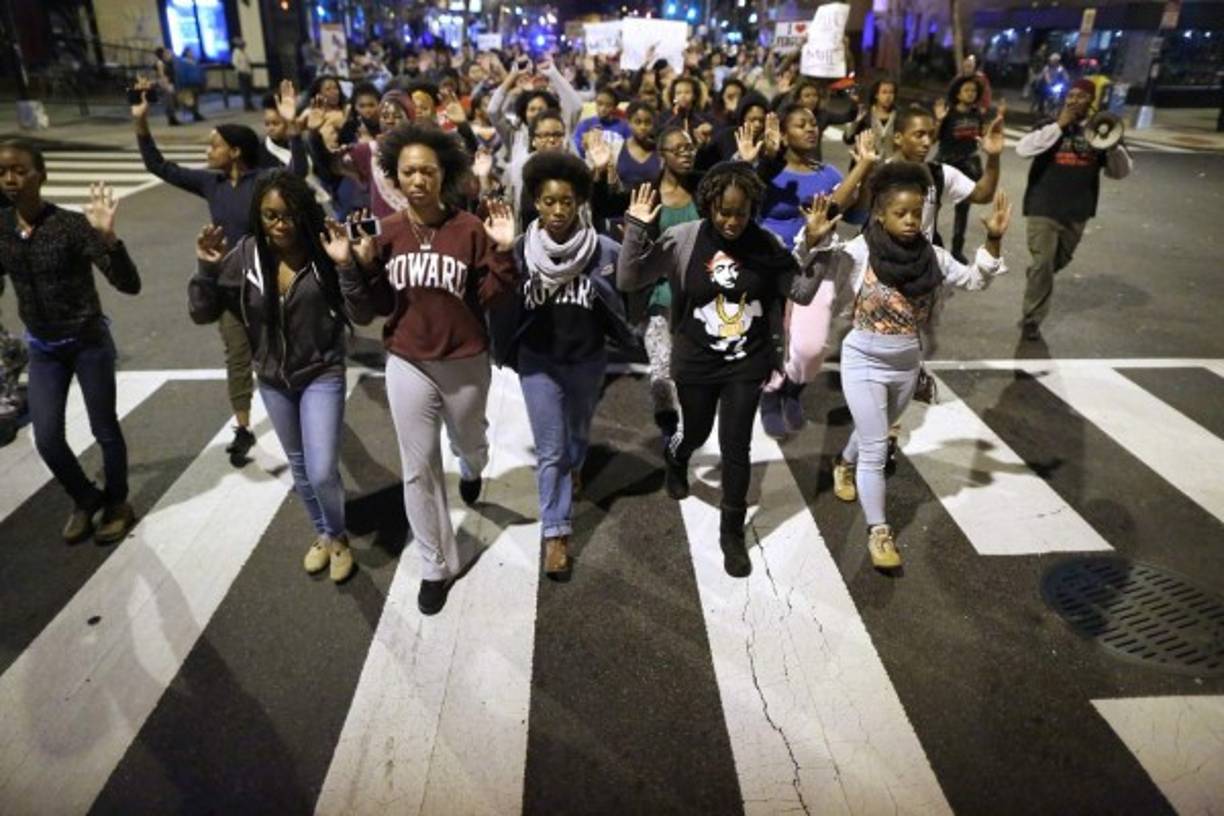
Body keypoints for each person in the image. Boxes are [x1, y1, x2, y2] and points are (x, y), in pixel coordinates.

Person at [617, 163, 829, 578]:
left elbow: (801, 292)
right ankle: (676, 457)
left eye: (741, 213)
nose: (731, 222)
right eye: (723, 212)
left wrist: (818, 248)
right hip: (695, 360)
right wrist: (635, 230)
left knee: (737, 447)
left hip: (746, 364)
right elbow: (628, 278)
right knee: (693, 432)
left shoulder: (765, 245)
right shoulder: (684, 239)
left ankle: (731, 531)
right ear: (708, 205)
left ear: (752, 209)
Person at [340, 125, 518, 615]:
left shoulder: (469, 229)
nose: (417, 179)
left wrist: (504, 251)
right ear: (395, 177)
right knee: (417, 469)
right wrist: (361, 266)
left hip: (464, 360)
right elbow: (373, 308)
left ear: (445, 175)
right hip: (407, 362)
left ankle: (472, 460)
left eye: (427, 171)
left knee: (470, 440)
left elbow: (495, 299)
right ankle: (436, 565)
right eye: (408, 171)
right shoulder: (387, 231)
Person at [812, 163, 1012, 570]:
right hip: (863, 358)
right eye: (900, 213)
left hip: (906, 361)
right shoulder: (860, 251)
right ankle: (879, 532)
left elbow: (974, 280)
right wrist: (814, 238)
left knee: (875, 430)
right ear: (880, 214)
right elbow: (818, 263)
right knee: (875, 446)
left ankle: (843, 463)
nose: (910, 221)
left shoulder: (933, 257)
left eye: (917, 213)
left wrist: (992, 240)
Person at [189, 171, 364, 583]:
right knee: (300, 467)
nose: (280, 225)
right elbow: (201, 312)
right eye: (270, 216)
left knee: (322, 470)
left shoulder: (323, 251)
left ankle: (337, 535)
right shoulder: (245, 256)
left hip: (321, 373)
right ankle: (324, 533)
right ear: (259, 216)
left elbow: (362, 314)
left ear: (303, 214)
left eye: (287, 215)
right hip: (272, 380)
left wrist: (348, 266)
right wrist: (205, 269)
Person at [132, 77, 307, 465]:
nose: (207, 151)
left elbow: (297, 175)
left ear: (235, 150)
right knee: (237, 356)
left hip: (267, 287)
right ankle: (243, 428)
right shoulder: (210, 183)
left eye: (213, 145)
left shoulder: (263, 181)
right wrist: (141, 122)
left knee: (278, 352)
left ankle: (298, 413)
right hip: (228, 287)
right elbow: (158, 166)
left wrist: (293, 127)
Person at [490, 152, 632, 578]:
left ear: (579, 203)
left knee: (577, 436)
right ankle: (556, 532)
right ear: (536, 201)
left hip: (587, 361)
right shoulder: (519, 251)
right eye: (548, 201)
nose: (557, 210)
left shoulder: (602, 250)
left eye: (566, 202)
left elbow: (630, 285)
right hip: (539, 363)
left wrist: (638, 233)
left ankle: (576, 464)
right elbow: (497, 298)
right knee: (550, 451)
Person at [0, 142, 141, 543]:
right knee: (46, 437)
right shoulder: (2, 228)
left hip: (87, 342)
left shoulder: (71, 226)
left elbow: (128, 284)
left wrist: (110, 238)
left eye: (19, 170)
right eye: (2, 172)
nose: (10, 179)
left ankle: (118, 503)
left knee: (105, 429)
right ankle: (85, 497)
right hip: (44, 350)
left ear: (40, 175)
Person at [1015, 78, 1132, 341]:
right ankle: (1032, 318)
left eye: (1081, 96)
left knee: (1057, 261)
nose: (1073, 100)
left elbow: (1120, 172)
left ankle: (1038, 275)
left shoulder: (1101, 128)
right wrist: (1059, 125)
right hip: (1043, 205)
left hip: (1078, 209)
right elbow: (1023, 149)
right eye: (1071, 95)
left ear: (1091, 101)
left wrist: (1112, 146)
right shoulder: (1048, 125)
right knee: (1043, 261)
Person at [934, 77, 988, 262]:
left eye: (973, 91)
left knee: (963, 209)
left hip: (967, 166)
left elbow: (982, 136)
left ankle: (957, 250)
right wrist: (939, 120)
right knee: (933, 204)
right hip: (946, 163)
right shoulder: (948, 114)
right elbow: (934, 138)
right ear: (957, 93)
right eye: (967, 90)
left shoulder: (977, 115)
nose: (971, 93)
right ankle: (929, 243)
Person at [843, 78, 898, 164]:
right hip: (866, 164)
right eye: (884, 92)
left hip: (890, 165)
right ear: (876, 95)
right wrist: (856, 122)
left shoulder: (899, 116)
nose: (888, 96)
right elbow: (848, 139)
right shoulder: (865, 114)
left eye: (891, 92)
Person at [572, 85, 630, 159]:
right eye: (599, 104)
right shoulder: (585, 124)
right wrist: (584, 146)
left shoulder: (624, 126)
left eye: (608, 105)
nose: (603, 109)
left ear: (615, 107)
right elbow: (576, 147)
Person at [153, 46, 179, 126]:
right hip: (165, 83)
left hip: (166, 82)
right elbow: (162, 74)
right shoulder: (160, 63)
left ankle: (172, 118)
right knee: (169, 101)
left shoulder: (164, 62)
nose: (166, 54)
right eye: (164, 52)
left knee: (170, 101)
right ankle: (172, 119)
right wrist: (166, 85)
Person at [232, 37, 256, 112]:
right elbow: (235, 63)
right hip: (242, 73)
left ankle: (249, 104)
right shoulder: (236, 52)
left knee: (248, 90)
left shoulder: (244, 52)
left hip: (247, 72)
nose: (244, 46)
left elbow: (248, 61)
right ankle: (247, 105)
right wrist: (242, 70)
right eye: (243, 44)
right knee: (245, 90)